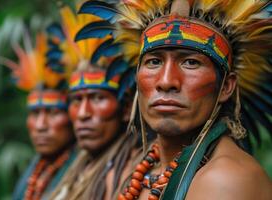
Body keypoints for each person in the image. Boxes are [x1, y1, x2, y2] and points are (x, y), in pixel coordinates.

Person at [77, 0, 272, 199]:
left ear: (226, 87)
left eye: (191, 62)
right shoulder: (132, 170)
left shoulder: (226, 180)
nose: (166, 81)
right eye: (154, 62)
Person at [48, 2, 139, 200]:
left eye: (98, 98)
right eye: (76, 100)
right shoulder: (75, 166)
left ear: (126, 108)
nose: (83, 113)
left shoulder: (131, 172)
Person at [4, 31, 77, 200]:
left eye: (53, 113)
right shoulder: (35, 170)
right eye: (35, 113)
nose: (40, 125)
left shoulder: (85, 167)